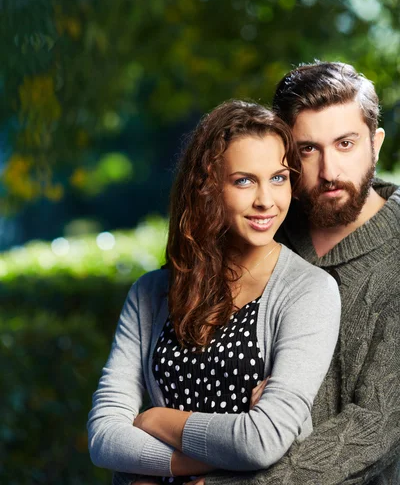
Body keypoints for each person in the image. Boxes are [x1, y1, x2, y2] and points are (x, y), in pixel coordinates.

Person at [88, 100, 340, 485]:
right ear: (207, 187)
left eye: (278, 178)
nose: (265, 200)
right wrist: (195, 462)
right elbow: (104, 437)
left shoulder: (309, 292)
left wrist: (155, 420)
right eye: (244, 180)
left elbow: (262, 441)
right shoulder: (150, 293)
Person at [203, 62, 400, 485]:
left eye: (346, 144)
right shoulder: (258, 229)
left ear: (376, 144)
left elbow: (376, 427)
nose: (330, 171)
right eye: (309, 149)